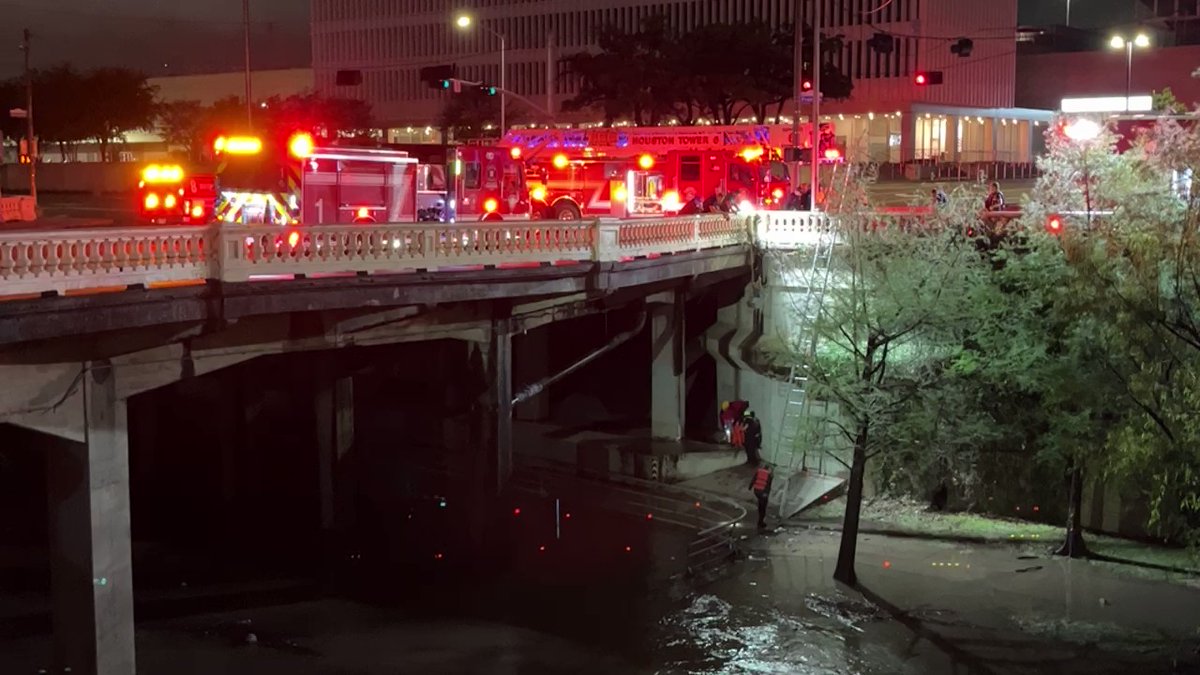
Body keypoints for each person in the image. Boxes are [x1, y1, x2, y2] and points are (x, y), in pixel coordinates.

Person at [749, 462, 773, 530]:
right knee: (763, 507)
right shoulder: (769, 475)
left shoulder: (759, 471)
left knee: (760, 503)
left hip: (756, 491)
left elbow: (753, 479)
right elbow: (768, 485)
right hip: (763, 492)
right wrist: (767, 493)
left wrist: (750, 487)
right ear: (769, 469)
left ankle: (760, 517)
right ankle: (760, 522)